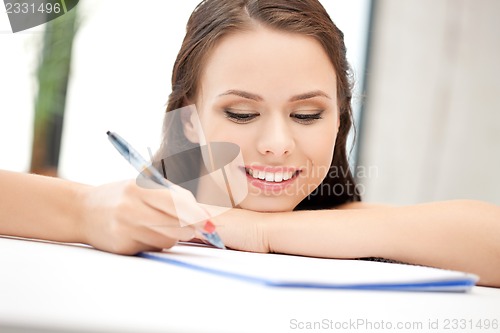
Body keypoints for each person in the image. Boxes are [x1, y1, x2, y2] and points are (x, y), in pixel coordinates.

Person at [1, 0, 499, 287]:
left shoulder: (355, 228)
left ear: (340, 115)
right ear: (189, 120)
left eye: (307, 114)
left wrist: (255, 232)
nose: (277, 144)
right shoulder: (134, 219)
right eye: (241, 113)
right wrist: (86, 212)